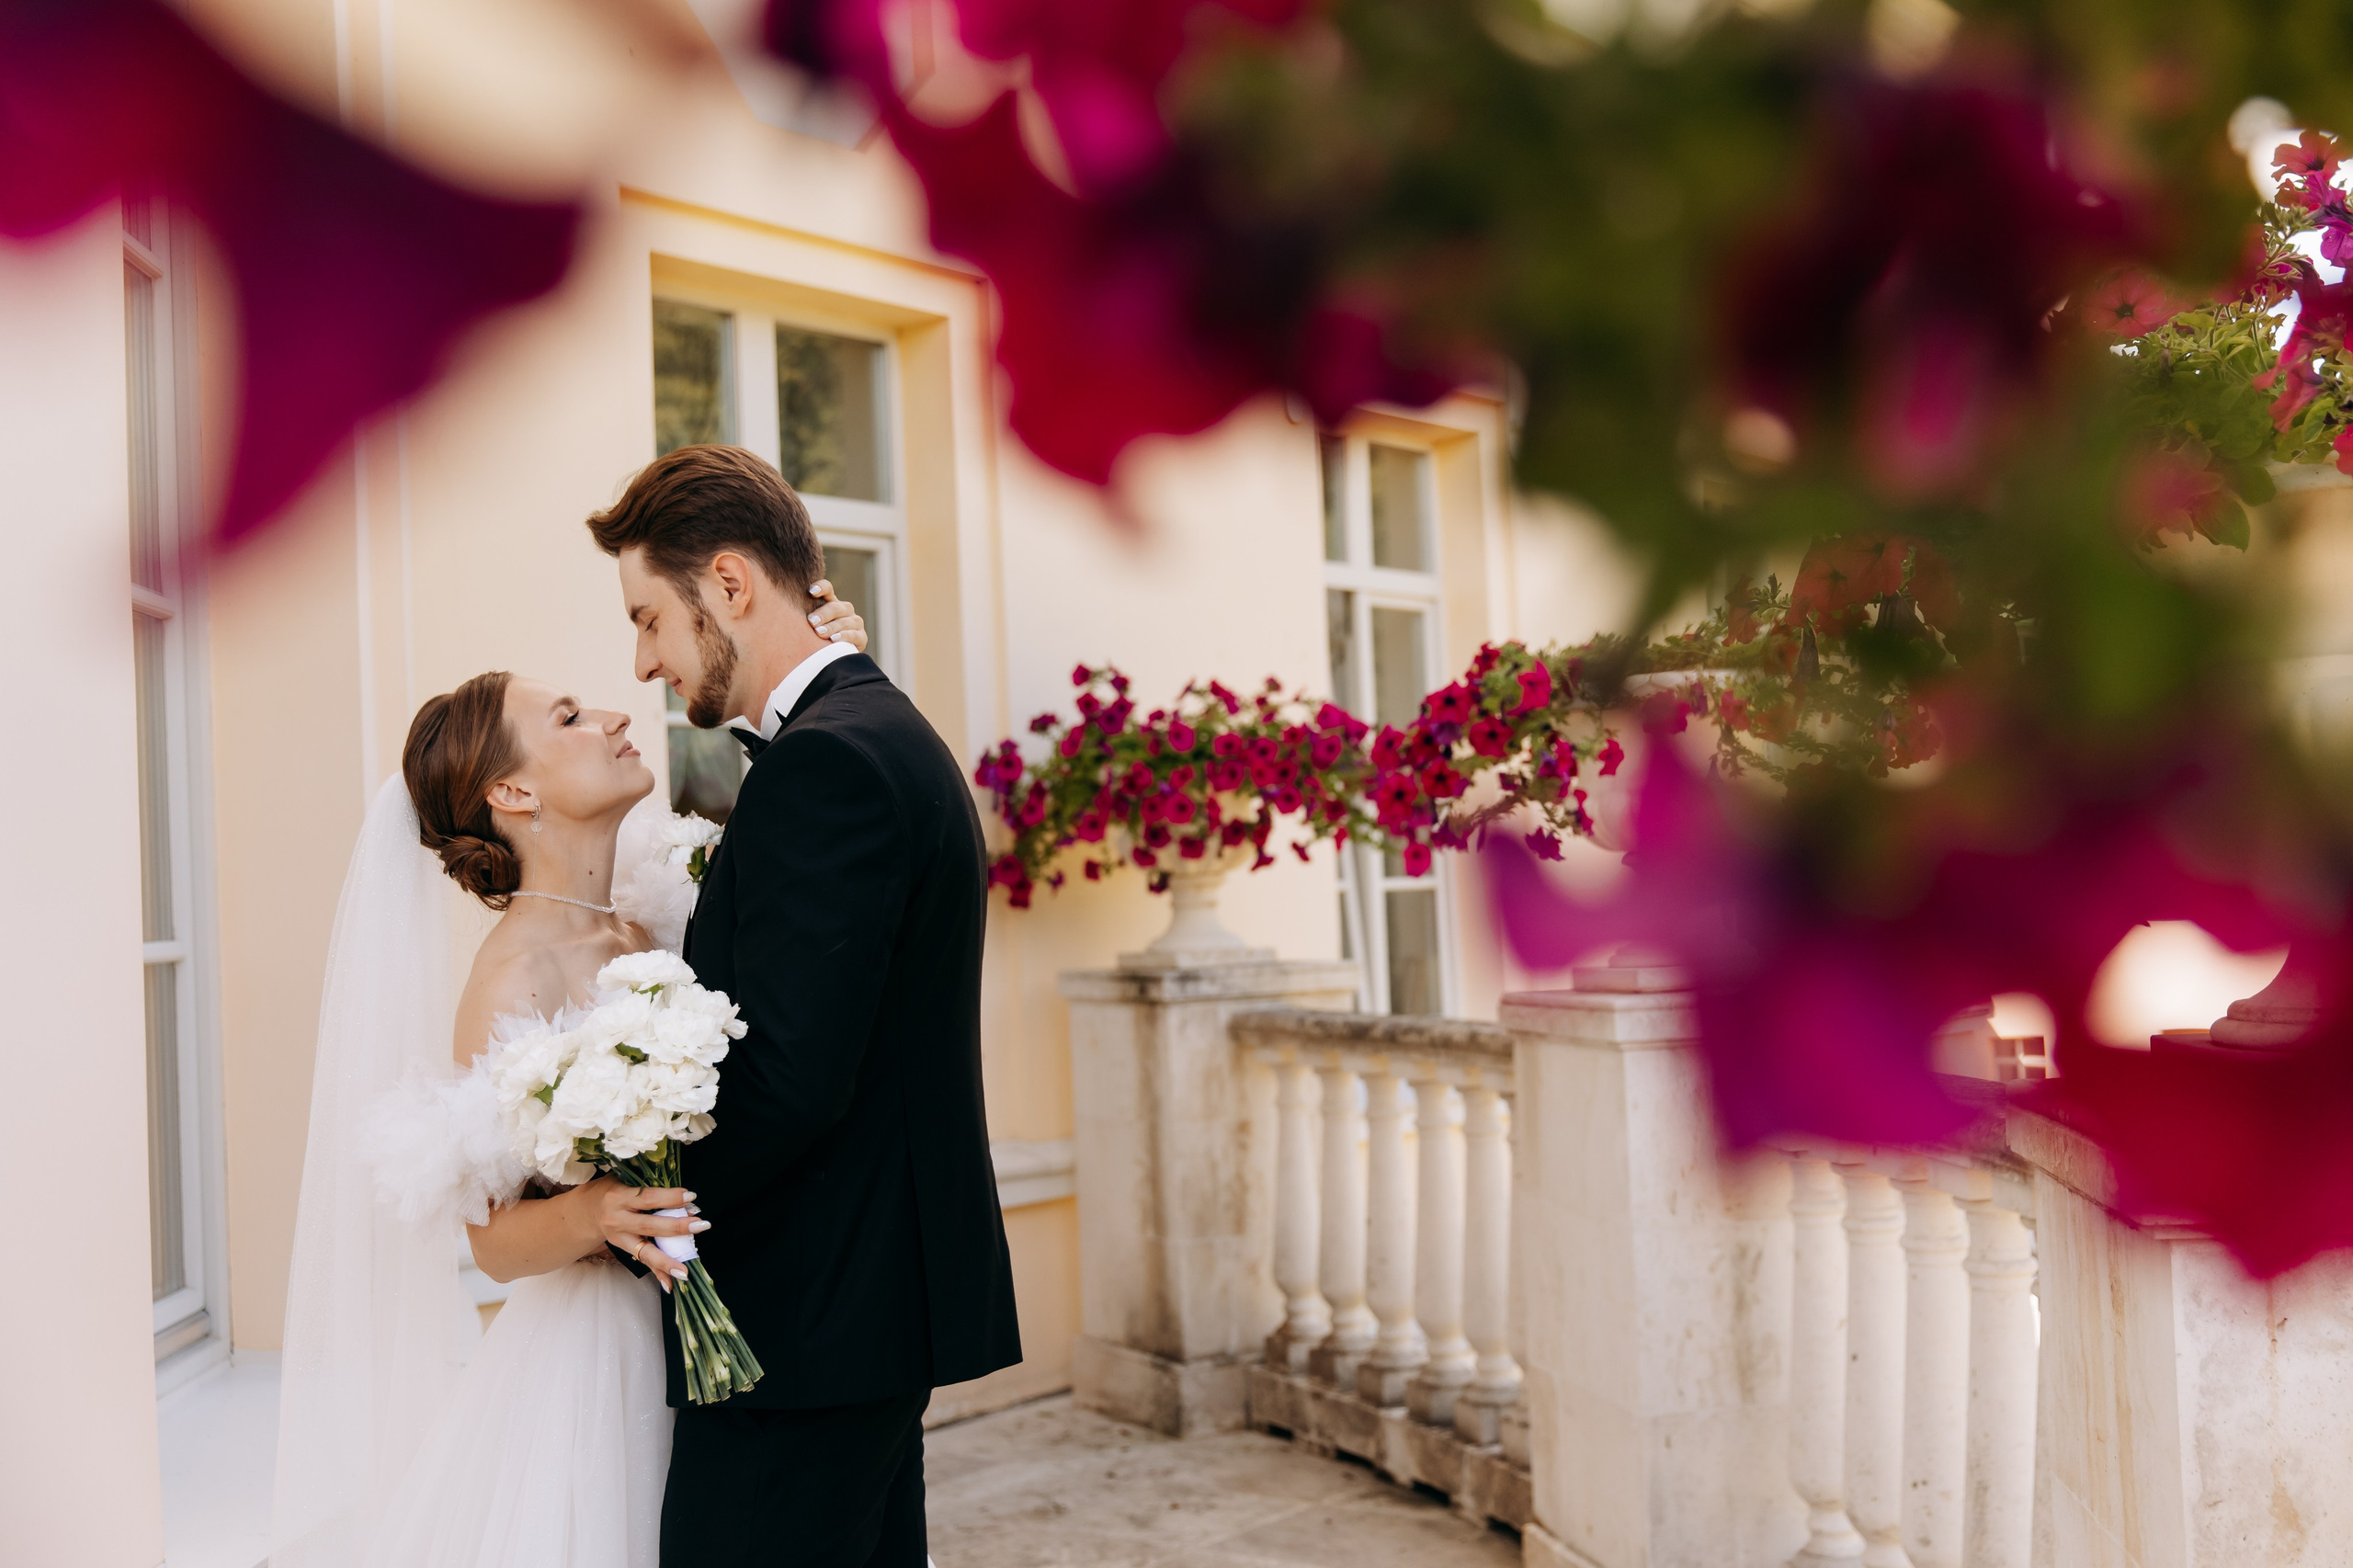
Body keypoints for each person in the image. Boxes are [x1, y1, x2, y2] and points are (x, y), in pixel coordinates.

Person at [268, 586, 870, 1568]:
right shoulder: (512, 976)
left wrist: (814, 670)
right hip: (604, 1364)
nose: (614, 712)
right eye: (567, 717)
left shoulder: (655, 911)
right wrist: (595, 1212)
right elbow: (493, 1242)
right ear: (513, 792)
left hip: (736, 1316)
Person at [587, 443, 1021, 1567]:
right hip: (859, 1312)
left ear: (730, 584)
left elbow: (787, 1076)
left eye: (650, 620)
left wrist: (629, 1194)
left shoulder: (827, 764)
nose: (643, 661)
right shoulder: (867, 732)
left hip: (806, 1320)